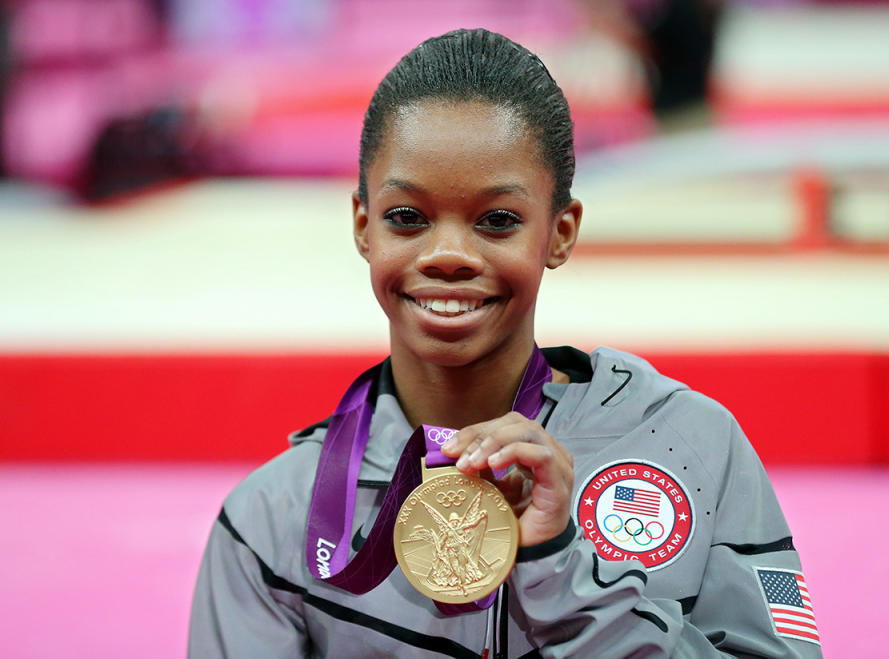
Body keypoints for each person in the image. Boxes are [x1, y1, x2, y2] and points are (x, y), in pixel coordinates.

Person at [189, 28, 822, 658]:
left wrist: (560, 570)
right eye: (407, 217)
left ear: (560, 232)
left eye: (498, 220)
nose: (448, 256)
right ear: (363, 226)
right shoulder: (270, 521)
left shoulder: (690, 445)